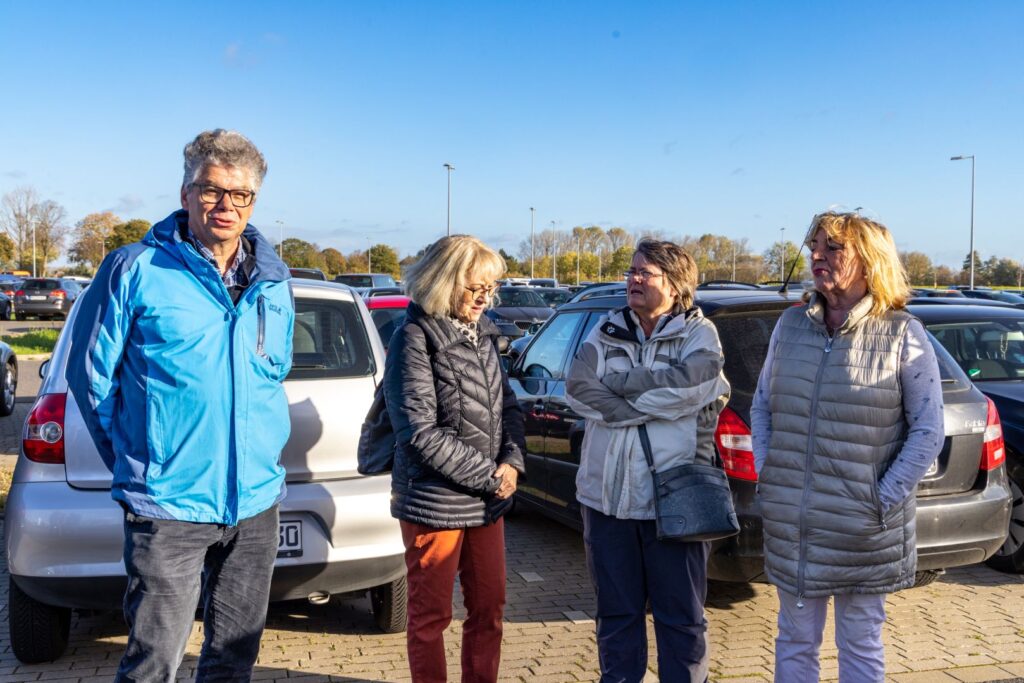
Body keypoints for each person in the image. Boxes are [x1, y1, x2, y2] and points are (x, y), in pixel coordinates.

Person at [67, 129, 294, 682]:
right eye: (211, 190)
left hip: (255, 504)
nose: (225, 205)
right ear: (186, 193)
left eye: (240, 194)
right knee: (153, 664)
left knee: (232, 661)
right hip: (168, 507)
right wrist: (143, 461)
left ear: (253, 201)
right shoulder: (134, 268)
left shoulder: (274, 280)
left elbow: (274, 373)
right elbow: (91, 379)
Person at [751, 211, 944, 682]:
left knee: (859, 643)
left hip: (862, 529)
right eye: (815, 245)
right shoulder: (789, 325)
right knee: (795, 640)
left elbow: (928, 431)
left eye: (833, 247)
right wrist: (769, 475)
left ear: (870, 259)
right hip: (796, 524)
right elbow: (762, 407)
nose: (817, 255)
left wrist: (880, 499)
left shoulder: (902, 333)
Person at [565, 239, 730, 683]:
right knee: (616, 616)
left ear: (675, 285)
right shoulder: (605, 330)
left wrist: (620, 386)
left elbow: (691, 387)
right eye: (631, 271)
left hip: (675, 500)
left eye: (645, 273)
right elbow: (578, 389)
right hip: (606, 501)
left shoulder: (699, 334)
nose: (633, 280)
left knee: (681, 619)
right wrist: (648, 404)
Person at [383, 234, 527, 683]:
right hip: (435, 502)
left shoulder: (484, 335)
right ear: (443, 282)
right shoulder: (412, 338)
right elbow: (418, 433)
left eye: (491, 288)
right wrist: (491, 476)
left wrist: (512, 462)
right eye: (476, 287)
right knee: (430, 618)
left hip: (486, 503)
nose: (485, 298)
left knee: (489, 609)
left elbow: (509, 408)